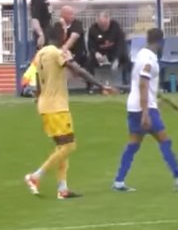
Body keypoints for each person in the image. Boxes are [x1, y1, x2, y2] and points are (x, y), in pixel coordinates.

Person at [23, 23, 112, 199]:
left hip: (45, 105)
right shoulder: (58, 52)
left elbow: (39, 79)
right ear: (62, 35)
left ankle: (62, 188)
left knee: (62, 147)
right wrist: (101, 85)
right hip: (57, 107)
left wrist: (39, 96)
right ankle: (35, 176)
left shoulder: (40, 53)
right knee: (70, 145)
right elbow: (78, 70)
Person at [111, 28, 178, 193]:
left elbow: (148, 85)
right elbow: (143, 85)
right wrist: (146, 113)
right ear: (161, 42)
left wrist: (168, 101)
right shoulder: (149, 61)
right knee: (164, 141)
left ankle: (119, 181)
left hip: (133, 106)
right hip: (144, 108)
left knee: (133, 144)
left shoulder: (141, 55)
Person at [86, 11, 131, 88]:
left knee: (126, 59)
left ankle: (126, 83)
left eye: (105, 25)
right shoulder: (93, 29)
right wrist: (95, 53)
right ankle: (90, 86)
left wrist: (117, 58)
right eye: (101, 25)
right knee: (88, 62)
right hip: (99, 54)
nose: (104, 28)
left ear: (109, 21)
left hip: (113, 53)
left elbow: (121, 44)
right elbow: (90, 44)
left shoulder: (116, 27)